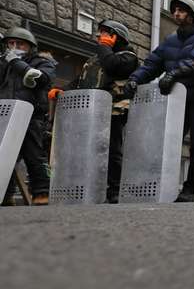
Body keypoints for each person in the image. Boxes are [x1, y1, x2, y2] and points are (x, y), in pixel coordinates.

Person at [125, 0, 194, 202]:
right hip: (175, 101)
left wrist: (174, 74)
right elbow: (151, 64)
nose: (176, 14)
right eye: (174, 11)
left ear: (191, 16)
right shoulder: (169, 41)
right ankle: (163, 184)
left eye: (181, 11)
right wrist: (134, 80)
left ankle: (190, 188)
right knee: (168, 143)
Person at [49, 20, 138, 203]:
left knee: (112, 150)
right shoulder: (96, 58)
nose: (100, 37)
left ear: (116, 36)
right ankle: (87, 185)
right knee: (89, 149)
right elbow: (82, 80)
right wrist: (64, 90)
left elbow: (112, 65)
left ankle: (115, 190)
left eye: (105, 33)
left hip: (114, 110)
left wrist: (105, 47)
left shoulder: (128, 57)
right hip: (90, 111)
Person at [0, 27, 56, 206]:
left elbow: (42, 79)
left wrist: (16, 61)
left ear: (30, 47)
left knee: (34, 155)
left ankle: (41, 192)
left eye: (20, 43)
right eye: (11, 43)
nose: (14, 46)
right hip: (7, 115)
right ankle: (5, 195)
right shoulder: (5, 64)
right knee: (4, 155)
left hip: (31, 116)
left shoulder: (41, 62)